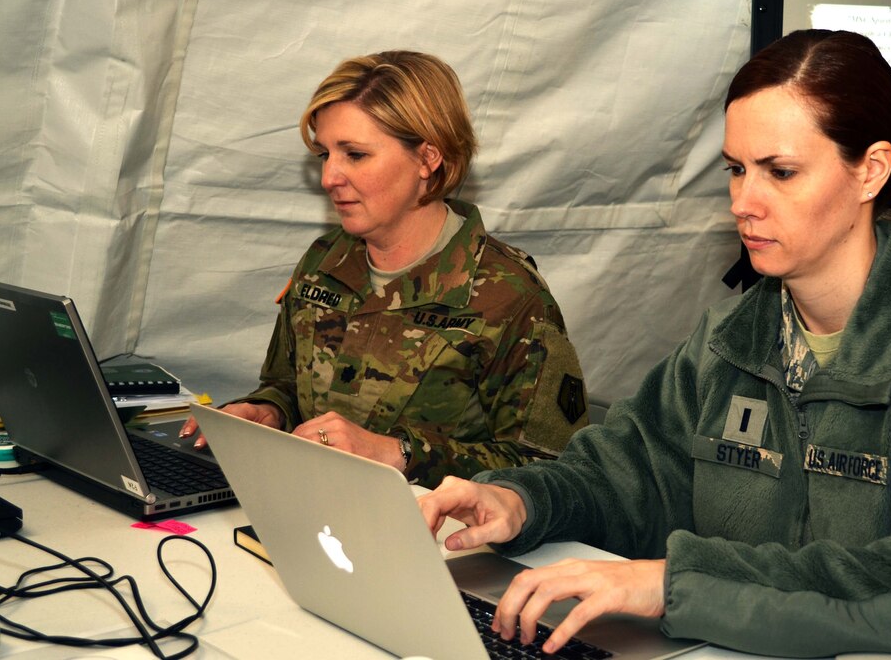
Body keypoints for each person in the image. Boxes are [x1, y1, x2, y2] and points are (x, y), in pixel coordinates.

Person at [418, 29, 891, 657]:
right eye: (737, 170)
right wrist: (521, 500)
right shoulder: (729, 338)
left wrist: (677, 585)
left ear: (870, 171)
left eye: (781, 172)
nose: (745, 202)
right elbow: (630, 473)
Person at [181, 51, 589, 488]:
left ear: (428, 159)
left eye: (355, 155)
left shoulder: (508, 296)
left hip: (441, 539)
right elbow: (285, 383)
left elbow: (557, 477)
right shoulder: (325, 262)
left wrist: (400, 453)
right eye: (325, 155)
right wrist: (268, 410)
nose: (329, 177)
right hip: (314, 508)